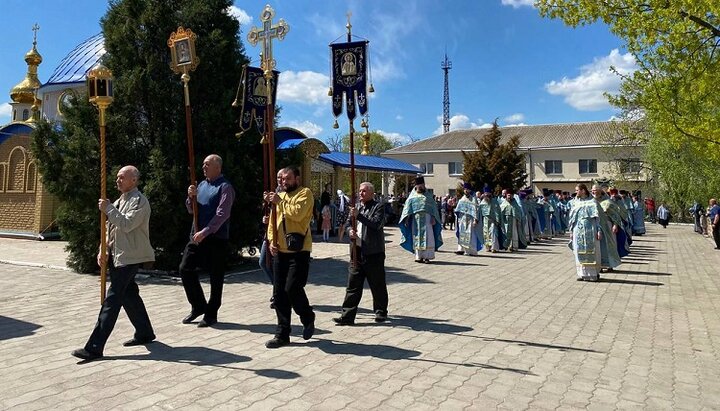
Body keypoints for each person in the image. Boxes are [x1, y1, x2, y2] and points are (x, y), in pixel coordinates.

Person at [71, 166, 156, 361]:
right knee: (128, 294)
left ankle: (94, 346)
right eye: (117, 177)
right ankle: (145, 332)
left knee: (113, 298)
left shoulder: (140, 201)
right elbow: (110, 231)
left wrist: (108, 208)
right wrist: (103, 249)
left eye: (121, 177)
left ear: (133, 180)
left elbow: (126, 225)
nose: (117, 180)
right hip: (118, 256)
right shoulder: (119, 201)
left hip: (131, 257)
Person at [179, 154, 235, 328]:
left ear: (218, 167)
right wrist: (191, 197)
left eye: (207, 164)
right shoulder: (201, 185)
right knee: (185, 268)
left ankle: (211, 313)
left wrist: (206, 231)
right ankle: (198, 305)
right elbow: (191, 209)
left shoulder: (225, 187)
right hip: (196, 236)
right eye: (203, 164)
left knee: (215, 277)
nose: (203, 167)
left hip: (215, 238)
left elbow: (222, 214)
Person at [263, 166, 315, 348]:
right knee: (279, 294)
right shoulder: (280, 196)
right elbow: (272, 222)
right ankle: (282, 334)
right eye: (282, 179)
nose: (284, 182)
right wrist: (271, 241)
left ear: (297, 179)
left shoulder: (305, 193)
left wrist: (279, 202)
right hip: (281, 251)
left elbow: (298, 214)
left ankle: (307, 317)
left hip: (299, 251)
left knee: (293, 287)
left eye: (288, 179)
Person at [333, 182, 388, 325]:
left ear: (371, 193)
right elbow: (348, 223)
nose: (361, 193)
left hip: (373, 252)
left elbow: (376, 224)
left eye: (364, 191)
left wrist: (360, 216)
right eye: (359, 191)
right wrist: (349, 230)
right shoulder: (356, 207)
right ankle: (347, 316)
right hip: (356, 251)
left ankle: (380, 311)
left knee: (377, 284)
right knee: (353, 285)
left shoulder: (378, 206)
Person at [399, 176, 443, 263]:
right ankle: (418, 256)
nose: (422, 187)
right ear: (416, 186)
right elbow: (408, 209)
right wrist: (407, 219)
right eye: (420, 185)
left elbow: (433, 208)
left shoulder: (428, 197)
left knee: (429, 237)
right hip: (416, 221)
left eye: (423, 185)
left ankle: (427, 257)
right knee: (416, 237)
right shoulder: (412, 197)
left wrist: (434, 217)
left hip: (428, 220)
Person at [569, 184, 602, 282]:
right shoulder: (575, 203)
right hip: (578, 230)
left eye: (577, 190)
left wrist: (599, 230)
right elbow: (572, 219)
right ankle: (582, 273)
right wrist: (571, 231)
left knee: (593, 251)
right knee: (578, 251)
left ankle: (593, 274)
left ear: (583, 191)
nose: (576, 192)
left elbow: (598, 219)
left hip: (590, 230)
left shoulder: (593, 202)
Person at [455, 182, 483, 256]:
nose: (466, 191)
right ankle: (461, 249)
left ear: (470, 190)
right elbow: (458, 210)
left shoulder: (474, 199)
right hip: (463, 220)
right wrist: (459, 218)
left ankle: (472, 251)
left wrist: (475, 220)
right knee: (462, 234)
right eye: (465, 189)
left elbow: (476, 210)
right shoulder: (462, 199)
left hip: (470, 220)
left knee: (471, 235)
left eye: (467, 189)